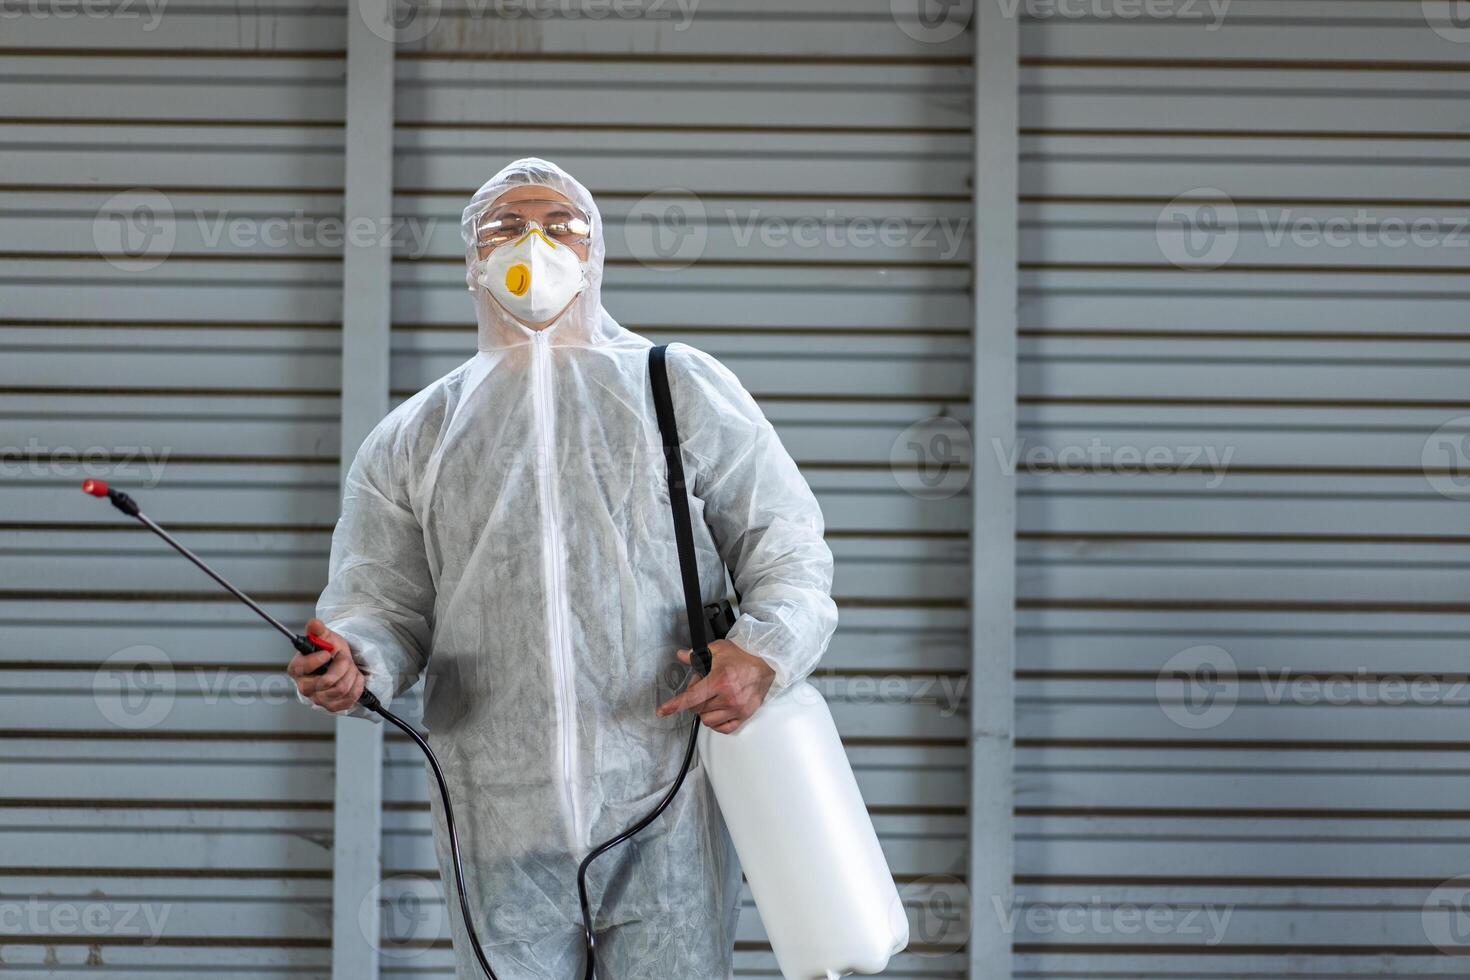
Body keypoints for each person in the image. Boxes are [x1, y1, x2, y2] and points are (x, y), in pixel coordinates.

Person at [286, 158, 838, 979]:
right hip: (497, 816)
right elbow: (382, 602)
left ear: (596, 251)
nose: (535, 245)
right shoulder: (415, 437)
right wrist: (354, 664)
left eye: (561, 226)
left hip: (668, 800)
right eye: (506, 228)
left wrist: (764, 653)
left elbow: (787, 548)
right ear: (471, 260)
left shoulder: (675, 388)